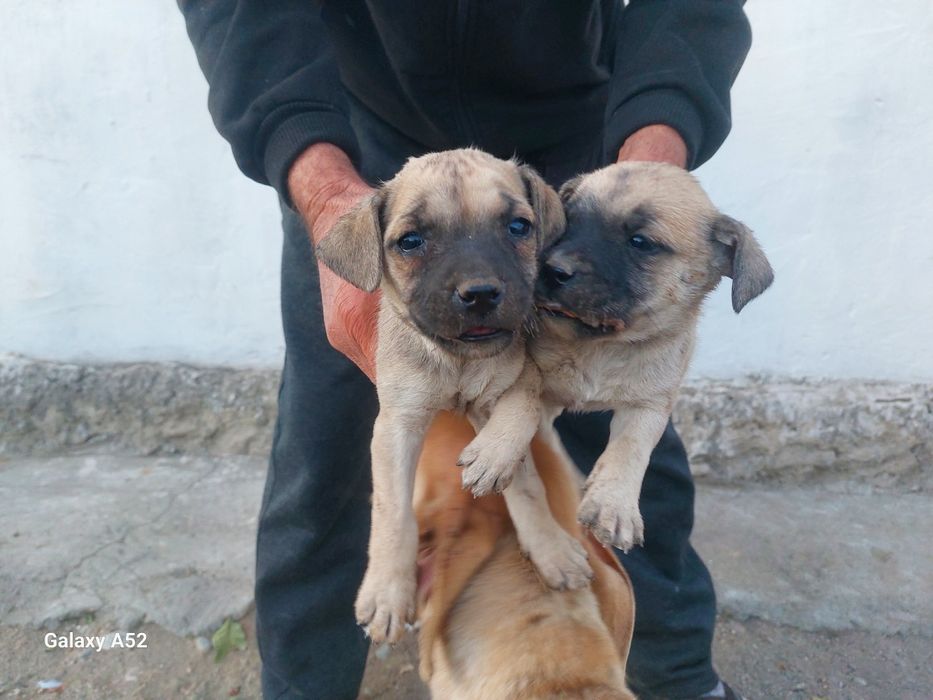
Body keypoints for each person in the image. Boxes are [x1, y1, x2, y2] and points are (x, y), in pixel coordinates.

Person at [178, 3, 751, 698]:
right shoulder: (369, 219)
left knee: (628, 445)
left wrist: (643, 180)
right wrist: (317, 177)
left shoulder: (554, 203)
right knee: (323, 447)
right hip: (361, 156)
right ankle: (303, 685)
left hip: (574, 147)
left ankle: (678, 677)